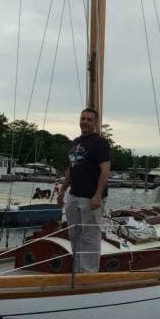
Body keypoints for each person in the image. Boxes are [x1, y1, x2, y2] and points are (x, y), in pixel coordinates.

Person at [57, 107, 111, 272]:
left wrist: (97, 195)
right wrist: (62, 191)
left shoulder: (100, 143)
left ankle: (88, 273)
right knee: (74, 234)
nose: (85, 122)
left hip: (91, 198)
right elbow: (71, 170)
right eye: (83, 118)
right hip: (74, 195)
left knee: (89, 236)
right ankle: (78, 269)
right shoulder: (75, 143)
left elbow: (105, 169)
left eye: (89, 119)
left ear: (95, 123)